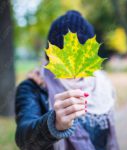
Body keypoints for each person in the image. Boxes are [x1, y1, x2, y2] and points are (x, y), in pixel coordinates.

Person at [15, 10, 119, 150]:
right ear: (50, 56)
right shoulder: (34, 87)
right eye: (64, 57)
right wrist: (53, 124)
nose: (72, 63)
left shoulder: (102, 84)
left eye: (80, 56)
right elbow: (24, 140)